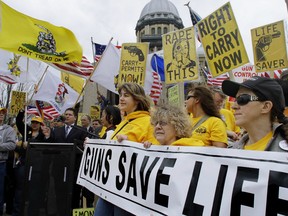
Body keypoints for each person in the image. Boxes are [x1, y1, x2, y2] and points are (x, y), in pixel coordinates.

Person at [94, 82, 158, 216]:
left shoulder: (149, 122)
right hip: (110, 185)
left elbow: (155, 153)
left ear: (137, 99)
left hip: (129, 191)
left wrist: (145, 146)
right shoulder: (123, 123)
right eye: (120, 95)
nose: (121, 98)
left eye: (126, 95)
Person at [222, 76, 288, 151]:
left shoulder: (284, 152)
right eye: (235, 99)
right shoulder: (231, 152)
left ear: (266, 106)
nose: (234, 106)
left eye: (242, 99)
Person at [42, 107, 87, 211]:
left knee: (74, 195)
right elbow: (51, 145)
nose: (67, 116)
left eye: (70, 115)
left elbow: (83, 148)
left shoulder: (81, 130)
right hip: (59, 168)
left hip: (74, 168)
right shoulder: (57, 131)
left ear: (75, 118)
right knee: (59, 193)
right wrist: (48, 136)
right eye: (66, 114)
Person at [0, 108, 16, 216]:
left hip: (1, 163)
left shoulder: (9, 129)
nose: (1, 115)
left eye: (2, 113)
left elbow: (12, 145)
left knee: (0, 189)